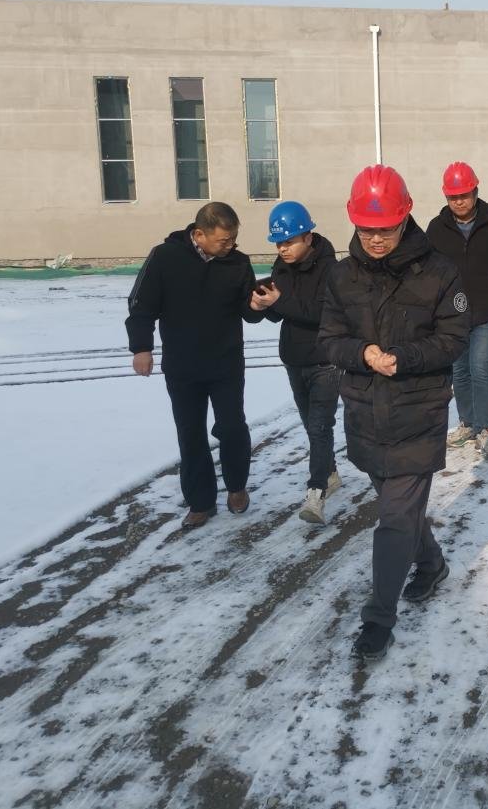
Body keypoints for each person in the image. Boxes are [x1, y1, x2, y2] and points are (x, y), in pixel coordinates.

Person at [320, 164, 470, 661]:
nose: (376, 238)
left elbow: (453, 338)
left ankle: (378, 619)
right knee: (400, 511)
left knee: (392, 520)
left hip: (417, 413)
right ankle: (431, 564)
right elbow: (329, 338)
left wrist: (404, 358)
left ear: (405, 217)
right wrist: (361, 352)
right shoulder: (341, 276)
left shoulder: (440, 272)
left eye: (385, 228)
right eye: (366, 228)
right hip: (365, 414)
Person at [126, 202, 270, 529]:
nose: (230, 246)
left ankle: (236, 486)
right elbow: (141, 304)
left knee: (232, 427)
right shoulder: (165, 257)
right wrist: (141, 348)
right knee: (190, 434)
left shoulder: (238, 262)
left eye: (233, 239)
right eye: (223, 240)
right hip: (183, 366)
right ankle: (200, 502)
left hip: (226, 363)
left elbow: (247, 312)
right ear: (200, 234)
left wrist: (257, 305)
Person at [253, 200, 342, 525]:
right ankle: (330, 472)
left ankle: (315, 494)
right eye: (278, 242)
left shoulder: (331, 269)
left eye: (288, 241)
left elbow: (322, 313)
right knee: (311, 426)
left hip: (326, 361)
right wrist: (262, 305)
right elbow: (282, 313)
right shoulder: (281, 266)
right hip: (294, 359)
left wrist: (281, 301)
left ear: (308, 237)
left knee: (320, 426)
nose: (282, 248)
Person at [425, 162, 488, 459]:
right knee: (459, 371)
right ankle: (467, 423)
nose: (459, 201)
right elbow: (427, 269)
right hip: (451, 316)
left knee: (481, 369)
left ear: (475, 192)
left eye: (464, 195)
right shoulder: (436, 228)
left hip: (486, 314)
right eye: (453, 196)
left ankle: (485, 429)